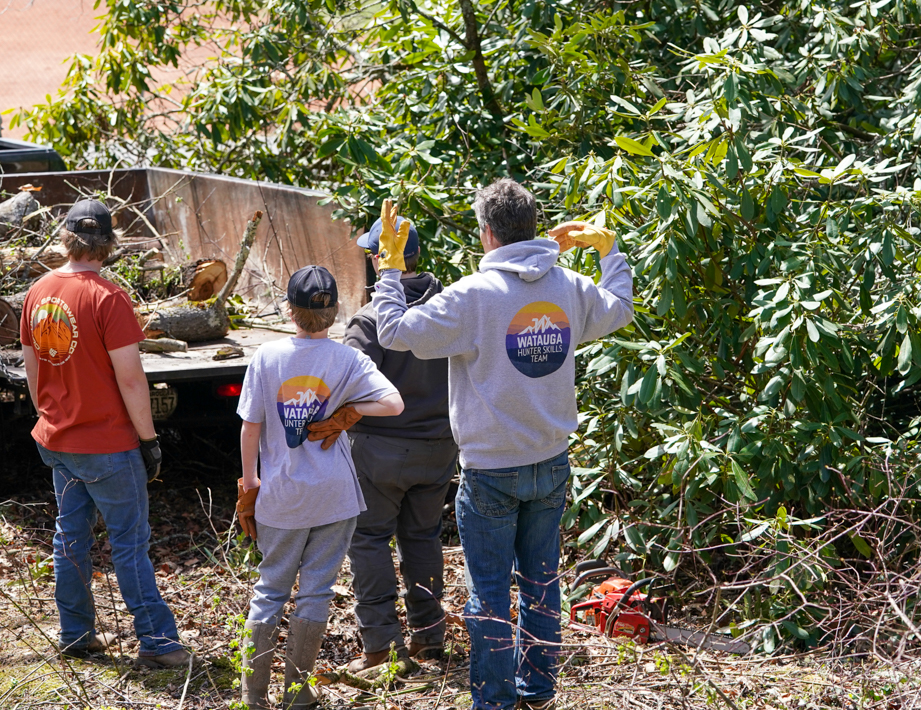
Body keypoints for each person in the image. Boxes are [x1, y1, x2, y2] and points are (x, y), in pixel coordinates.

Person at [371, 180, 634, 710]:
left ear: (487, 233)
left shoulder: (474, 296)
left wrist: (390, 272)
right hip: (551, 461)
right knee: (541, 583)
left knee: (490, 596)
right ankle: (537, 692)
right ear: (534, 226)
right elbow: (619, 308)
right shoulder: (568, 285)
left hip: (491, 469)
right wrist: (611, 252)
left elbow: (394, 333)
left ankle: (494, 701)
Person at [21, 199, 190, 668]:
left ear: (66, 239)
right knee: (129, 543)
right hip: (108, 446)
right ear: (109, 244)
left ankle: (76, 634)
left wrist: (51, 417)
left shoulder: (38, 292)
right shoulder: (108, 298)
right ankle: (158, 641)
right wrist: (149, 440)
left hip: (59, 441)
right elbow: (131, 379)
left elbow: (32, 368)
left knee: (70, 538)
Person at [235, 265, 405, 710]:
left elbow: (250, 428)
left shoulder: (267, 357)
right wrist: (349, 411)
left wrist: (251, 482)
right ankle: (298, 694)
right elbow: (393, 403)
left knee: (270, 590)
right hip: (334, 496)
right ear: (333, 313)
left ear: (290, 310)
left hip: (281, 495)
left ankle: (253, 697)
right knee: (316, 591)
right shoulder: (347, 359)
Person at [341, 215, 457, 672]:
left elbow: (347, 389)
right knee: (423, 538)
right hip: (439, 448)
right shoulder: (452, 306)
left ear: (378, 259)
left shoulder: (368, 321)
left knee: (369, 541)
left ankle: (379, 649)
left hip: (379, 452)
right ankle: (428, 639)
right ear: (420, 256)